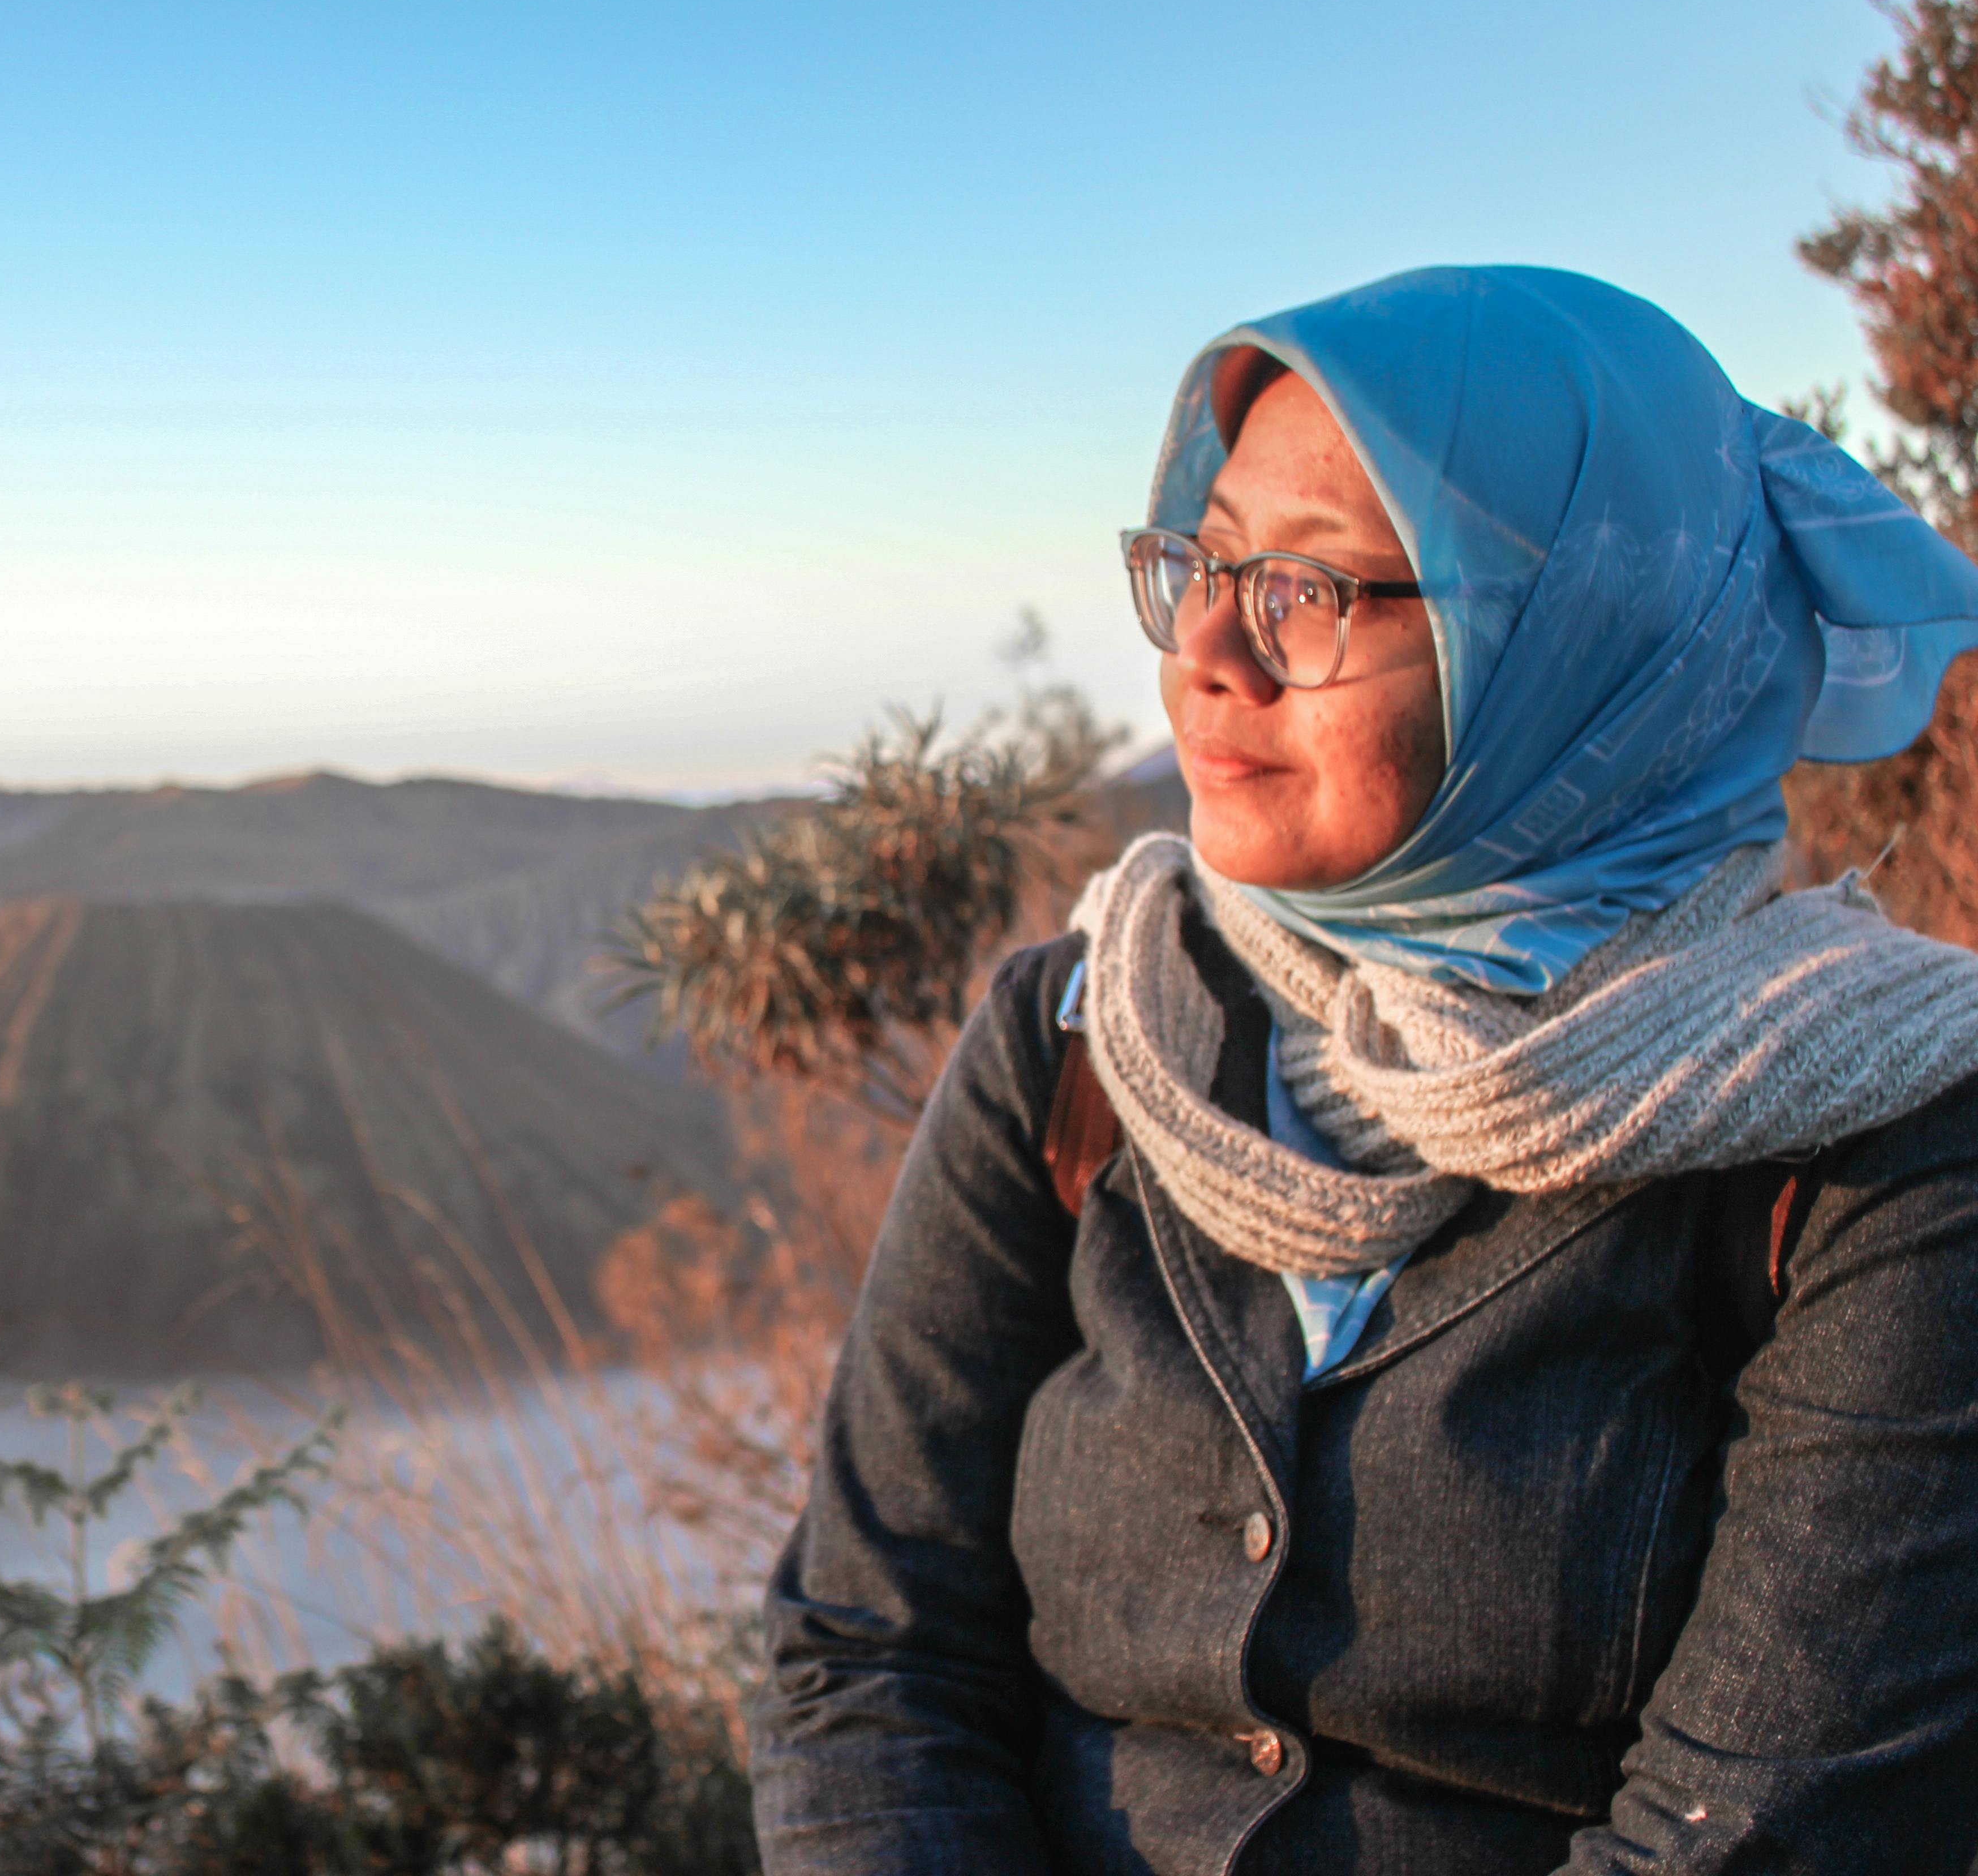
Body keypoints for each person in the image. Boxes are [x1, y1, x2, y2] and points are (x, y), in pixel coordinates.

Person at [747, 265, 1978, 1874]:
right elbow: (868, 1649)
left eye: (1310, 590)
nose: (1203, 650)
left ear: (1574, 645)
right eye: (1204, 560)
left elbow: (1757, 1834)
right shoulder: (1078, 1037)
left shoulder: (1875, 1136)